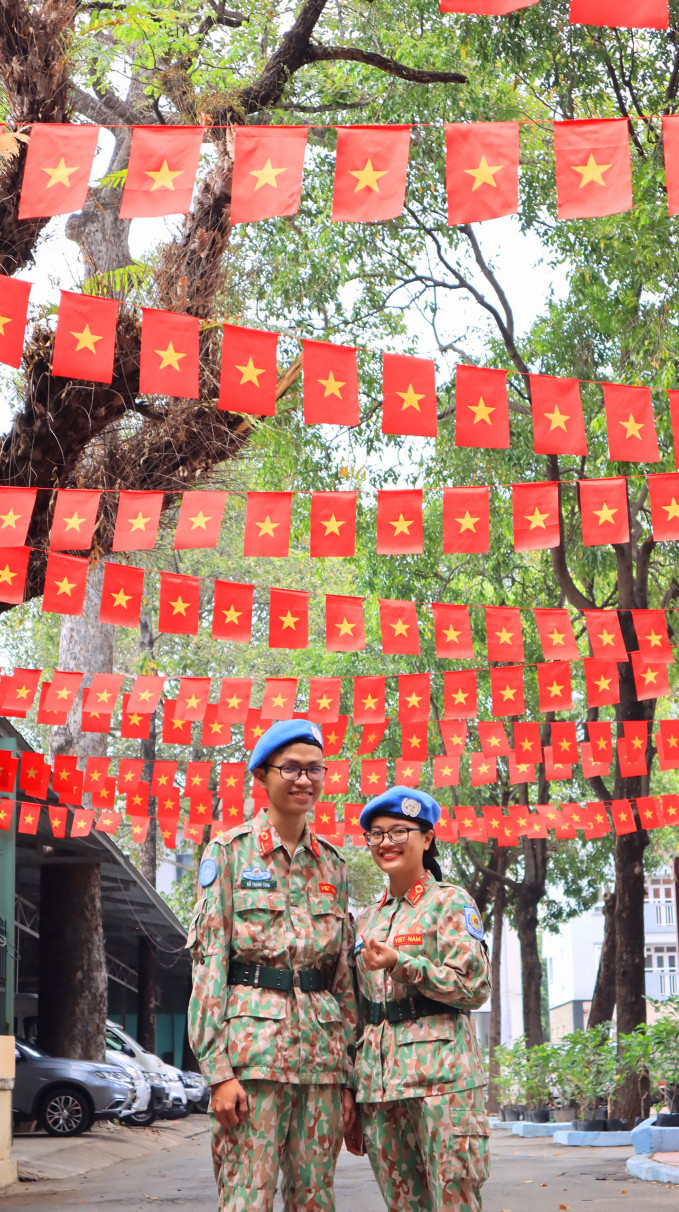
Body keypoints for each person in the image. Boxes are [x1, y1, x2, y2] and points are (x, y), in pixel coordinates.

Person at [187, 719, 358, 1212]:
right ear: (262, 777)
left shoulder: (334, 865)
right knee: (247, 1197)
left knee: (314, 1198)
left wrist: (348, 1076)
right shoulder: (229, 853)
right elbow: (208, 968)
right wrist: (218, 1074)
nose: (304, 780)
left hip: (321, 1065)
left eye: (314, 769)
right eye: (291, 769)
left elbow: (343, 978)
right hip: (251, 1061)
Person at [347, 786, 491, 1212]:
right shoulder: (367, 919)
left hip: (442, 1084)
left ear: (426, 838)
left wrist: (403, 963)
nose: (386, 843)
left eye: (398, 832)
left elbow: (475, 987)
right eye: (376, 834)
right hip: (380, 1088)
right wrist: (355, 1093)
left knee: (454, 1200)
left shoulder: (450, 902)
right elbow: (357, 1010)